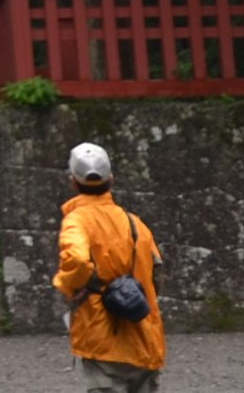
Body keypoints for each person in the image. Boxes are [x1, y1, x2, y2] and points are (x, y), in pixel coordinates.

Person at [52, 139, 165, 391]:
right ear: (111, 178)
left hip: (103, 339)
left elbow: (78, 259)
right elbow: (156, 271)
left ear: (73, 181)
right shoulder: (135, 223)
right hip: (144, 337)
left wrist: (67, 285)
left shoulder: (76, 221)